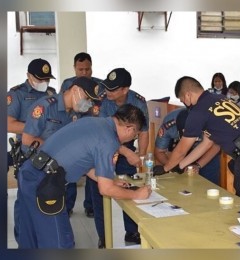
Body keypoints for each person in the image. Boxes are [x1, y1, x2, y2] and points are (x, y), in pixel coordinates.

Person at [14, 104, 151, 248]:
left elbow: (82, 163)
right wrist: (137, 195)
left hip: (30, 172)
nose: (132, 139)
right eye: (135, 135)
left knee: (30, 238)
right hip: (45, 184)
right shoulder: (109, 140)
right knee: (60, 244)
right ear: (130, 129)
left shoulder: (93, 122)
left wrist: (108, 179)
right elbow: (105, 190)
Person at [154, 76, 240, 201]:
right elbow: (206, 143)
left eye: (183, 99)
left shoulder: (198, 111)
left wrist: (165, 168)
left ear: (188, 95)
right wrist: (180, 166)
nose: (184, 103)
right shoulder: (220, 98)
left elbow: (182, 150)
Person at [21, 77, 100, 217]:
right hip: (36, 169)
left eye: (91, 101)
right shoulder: (45, 107)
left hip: (58, 174)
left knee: (55, 217)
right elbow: (28, 139)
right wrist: (60, 151)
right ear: (75, 90)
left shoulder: (79, 114)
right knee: (28, 217)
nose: (88, 104)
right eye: (87, 98)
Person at [98, 68, 150, 246]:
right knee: (100, 191)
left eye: (113, 89)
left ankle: (132, 232)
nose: (108, 92)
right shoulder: (104, 102)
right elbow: (104, 135)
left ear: (125, 90)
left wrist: (140, 159)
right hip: (101, 147)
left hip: (126, 144)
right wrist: (127, 153)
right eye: (107, 87)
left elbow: (143, 132)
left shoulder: (138, 102)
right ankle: (103, 235)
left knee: (131, 185)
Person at [7, 58, 56, 242]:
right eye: (40, 79)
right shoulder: (16, 94)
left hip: (50, 151)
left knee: (48, 196)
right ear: (28, 76)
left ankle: (44, 238)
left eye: (47, 79)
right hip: (28, 153)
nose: (44, 83)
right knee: (26, 200)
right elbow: (8, 124)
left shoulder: (51, 93)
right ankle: (23, 240)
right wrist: (34, 129)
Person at [59, 52, 103, 220]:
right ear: (74, 68)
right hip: (73, 134)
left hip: (92, 134)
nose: (84, 72)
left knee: (92, 172)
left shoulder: (99, 85)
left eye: (87, 69)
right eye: (81, 69)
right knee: (70, 172)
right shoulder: (68, 84)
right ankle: (68, 206)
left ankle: (90, 206)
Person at [154, 108, 221, 185]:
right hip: (181, 154)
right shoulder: (169, 125)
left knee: (208, 187)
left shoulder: (208, 122)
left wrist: (198, 165)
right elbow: (159, 152)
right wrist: (174, 167)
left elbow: (216, 147)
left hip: (207, 154)